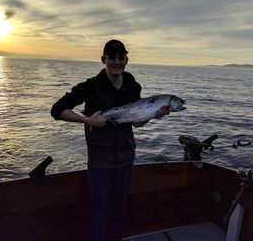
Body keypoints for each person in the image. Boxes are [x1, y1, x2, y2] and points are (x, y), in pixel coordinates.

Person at [51, 39, 168, 241]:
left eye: (120, 57)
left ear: (126, 59)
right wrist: (87, 120)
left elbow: (136, 123)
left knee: (119, 210)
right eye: (111, 57)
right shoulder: (90, 86)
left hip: (125, 158)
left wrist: (153, 115)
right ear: (103, 59)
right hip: (100, 162)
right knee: (98, 212)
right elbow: (57, 110)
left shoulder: (133, 86)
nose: (116, 61)